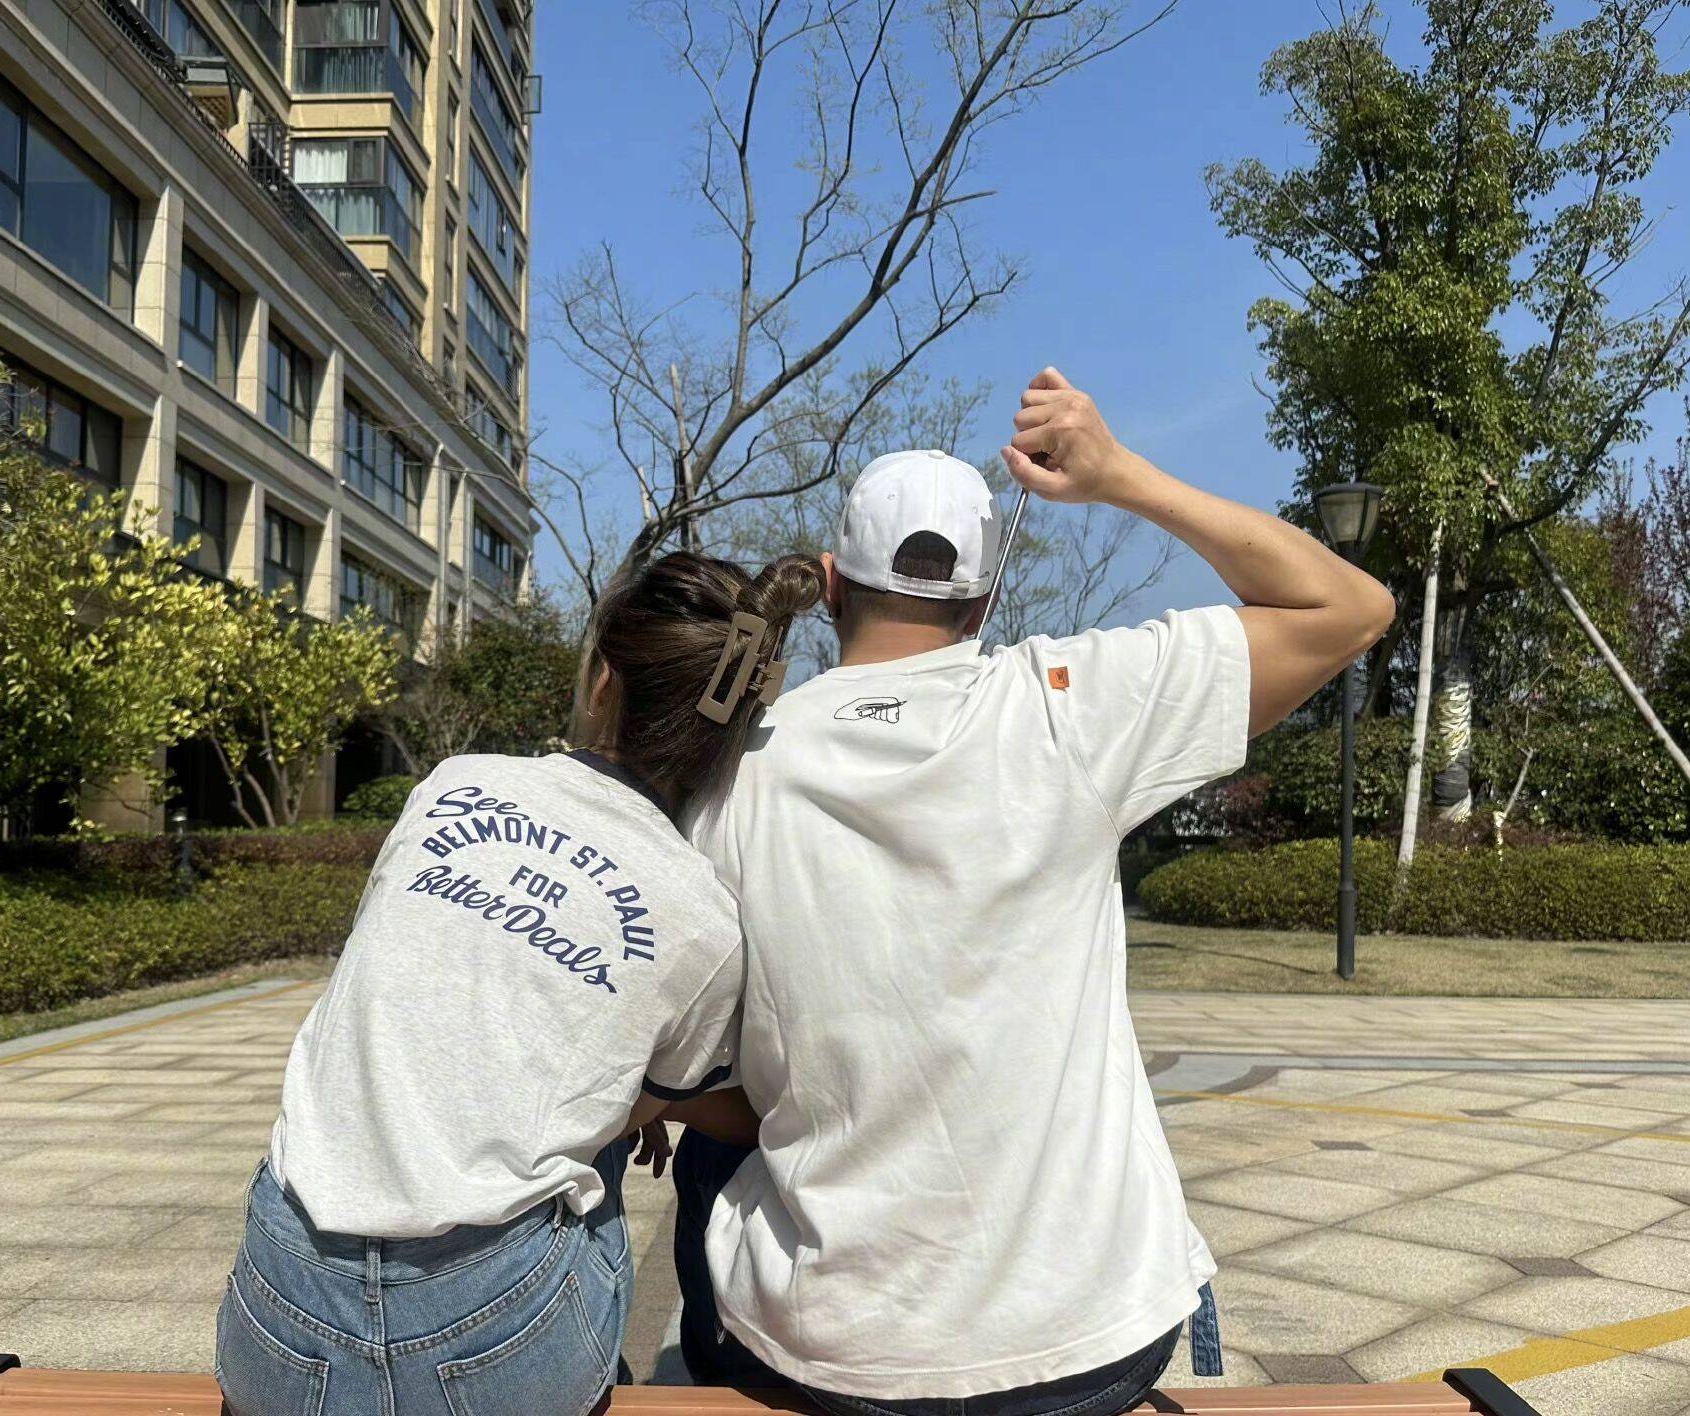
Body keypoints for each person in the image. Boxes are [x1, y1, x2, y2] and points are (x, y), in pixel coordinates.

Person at [673, 368, 1395, 1415]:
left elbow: (701, 1060)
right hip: (1084, 1344)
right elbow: (1351, 606)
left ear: (830, 586)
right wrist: (1118, 475)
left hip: (835, 1359)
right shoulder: (1065, 703)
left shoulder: (736, 766)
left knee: (712, 1159)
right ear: (985, 594)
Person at [213, 550, 824, 1416]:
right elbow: (683, 1109)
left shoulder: (453, 787)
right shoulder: (702, 914)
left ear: (602, 676)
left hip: (279, 1324)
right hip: (495, 1348)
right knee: (601, 1127)